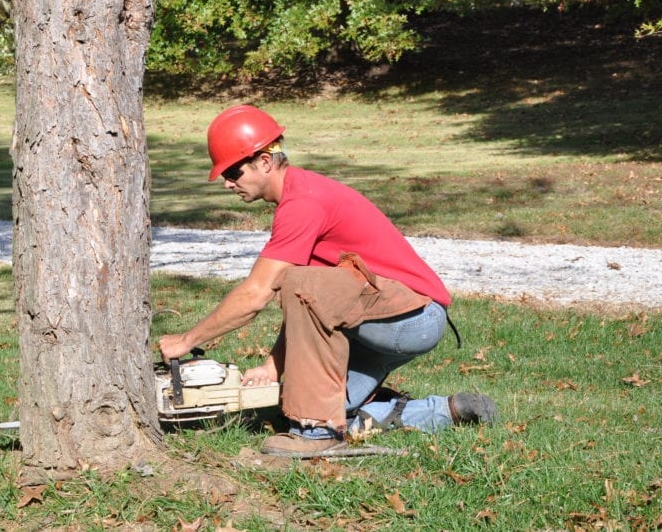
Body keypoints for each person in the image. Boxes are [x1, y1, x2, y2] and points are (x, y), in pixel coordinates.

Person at [158, 105, 497, 458]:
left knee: (299, 301)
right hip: (390, 319)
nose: (228, 182)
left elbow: (258, 293)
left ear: (264, 161)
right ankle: (447, 410)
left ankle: (317, 435)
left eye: (233, 170)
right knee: (307, 408)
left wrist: (187, 340)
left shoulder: (302, 203)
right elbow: (312, 309)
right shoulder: (301, 193)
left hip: (412, 320)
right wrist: (273, 367)